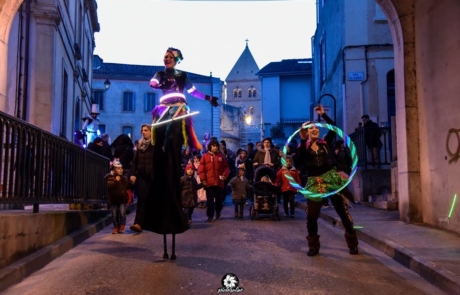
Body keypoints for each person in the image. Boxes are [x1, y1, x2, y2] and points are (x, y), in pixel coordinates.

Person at [145, 47, 219, 259]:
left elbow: (193, 91)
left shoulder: (182, 76)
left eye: (169, 57)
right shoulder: (160, 74)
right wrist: (155, 83)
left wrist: (208, 98)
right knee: (160, 142)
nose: (166, 59)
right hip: (163, 112)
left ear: (176, 59)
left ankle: (173, 164)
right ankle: (161, 169)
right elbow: (153, 82)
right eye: (165, 56)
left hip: (178, 111)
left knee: (175, 139)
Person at [298, 104, 359, 256]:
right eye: (311, 128)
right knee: (311, 216)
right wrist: (303, 139)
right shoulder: (302, 148)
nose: (315, 129)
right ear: (306, 132)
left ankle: (352, 242)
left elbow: (333, 127)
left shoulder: (326, 143)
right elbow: (300, 160)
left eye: (316, 128)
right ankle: (313, 246)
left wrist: (323, 114)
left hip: (331, 179)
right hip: (314, 182)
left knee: (342, 212)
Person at [129, 124, 154, 233]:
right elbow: (135, 161)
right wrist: (133, 174)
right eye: (142, 130)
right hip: (141, 175)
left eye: (146, 130)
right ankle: (138, 223)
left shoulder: (155, 145)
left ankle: (151, 222)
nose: (143, 132)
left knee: (152, 199)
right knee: (142, 199)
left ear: (151, 132)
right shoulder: (139, 145)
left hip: (153, 176)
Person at [199, 139, 230, 222]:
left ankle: (218, 211)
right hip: (209, 183)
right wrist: (203, 180)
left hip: (219, 182)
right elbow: (201, 170)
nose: (215, 147)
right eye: (213, 146)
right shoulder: (204, 157)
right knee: (210, 201)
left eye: (216, 146)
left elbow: (226, 168)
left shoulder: (221, 157)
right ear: (210, 146)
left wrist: (224, 176)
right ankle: (210, 215)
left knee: (219, 200)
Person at [105, 160, 130, 234]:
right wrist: (115, 180)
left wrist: (132, 183)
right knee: (114, 214)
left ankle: (122, 225)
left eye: (121, 168)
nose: (121, 170)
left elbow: (128, 186)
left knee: (122, 212)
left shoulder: (124, 178)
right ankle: (116, 226)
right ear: (114, 170)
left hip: (122, 199)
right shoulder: (110, 177)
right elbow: (110, 185)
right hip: (114, 199)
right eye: (118, 168)